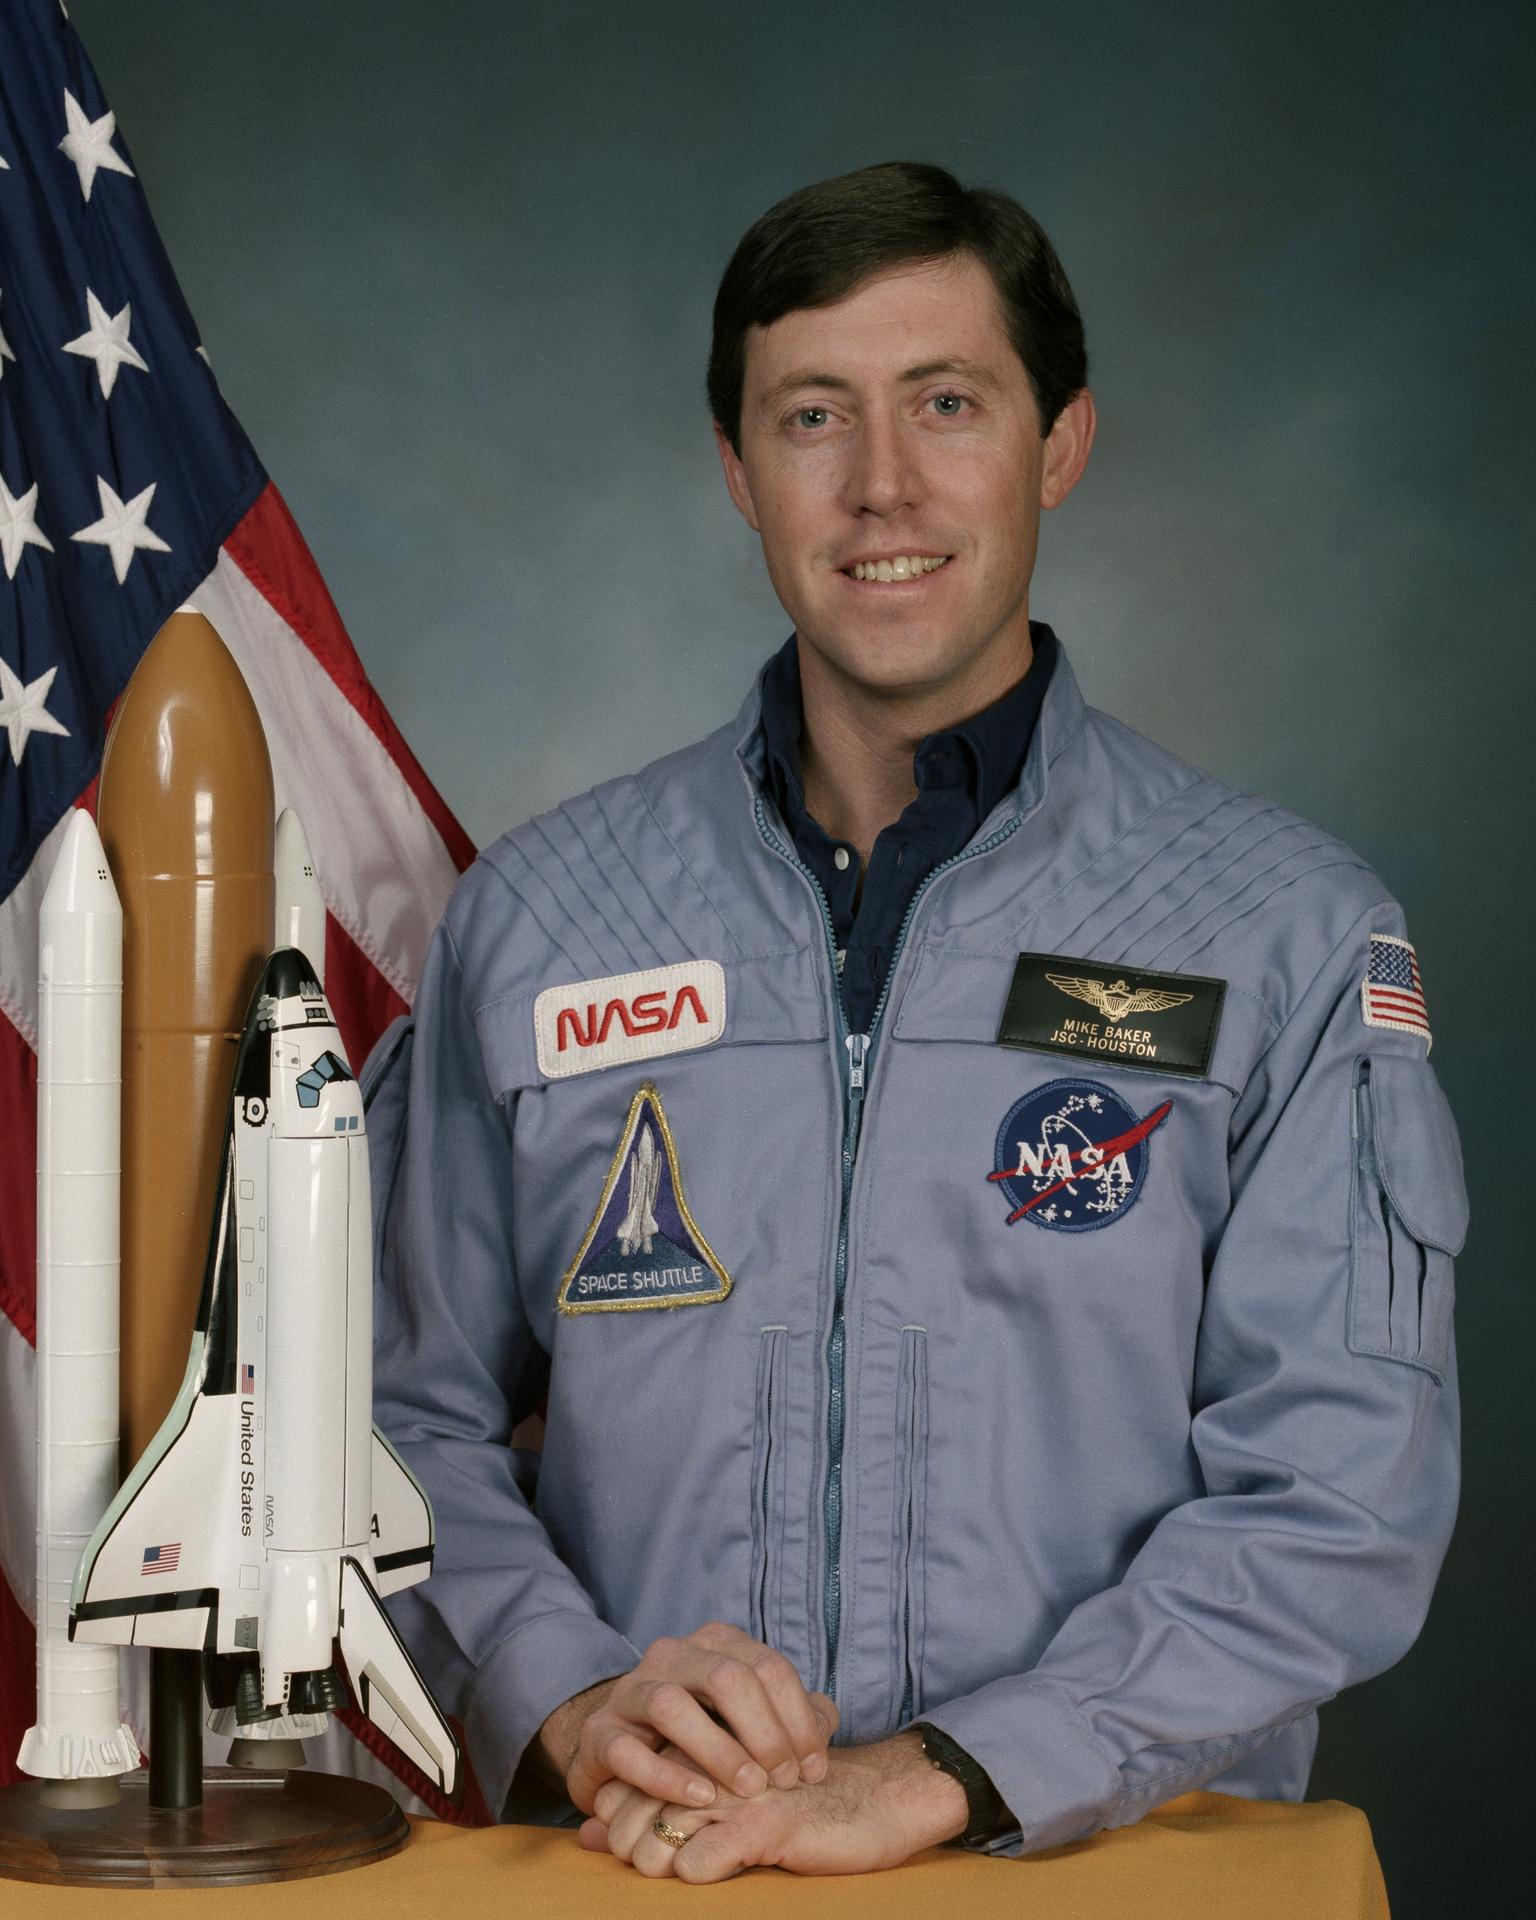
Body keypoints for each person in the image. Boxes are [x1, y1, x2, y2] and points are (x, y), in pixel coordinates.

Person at [365, 162, 1466, 1883]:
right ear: (737, 470)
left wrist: (949, 1771)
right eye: (813, 416)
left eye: (948, 403)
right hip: (657, 1872)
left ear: (1061, 444)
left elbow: (1335, 1494)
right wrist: (571, 1698)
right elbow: (398, 1421)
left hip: (1117, 1868)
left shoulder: (1279, 932)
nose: (883, 485)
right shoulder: (545, 919)